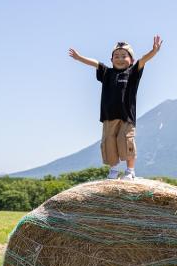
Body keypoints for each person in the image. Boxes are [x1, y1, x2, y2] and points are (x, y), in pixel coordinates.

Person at [68, 35, 163, 179]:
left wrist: (153, 51)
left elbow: (143, 60)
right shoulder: (107, 73)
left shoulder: (133, 72)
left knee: (126, 140)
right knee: (109, 142)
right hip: (108, 116)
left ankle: (130, 171)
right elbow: (95, 63)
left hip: (126, 116)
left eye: (124, 56)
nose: (119, 58)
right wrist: (79, 57)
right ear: (111, 60)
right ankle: (113, 170)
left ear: (131, 60)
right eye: (116, 56)